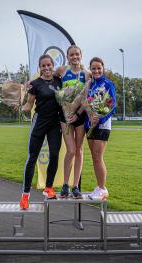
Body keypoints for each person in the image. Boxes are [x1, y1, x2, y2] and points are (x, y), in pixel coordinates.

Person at [18, 54, 62, 209]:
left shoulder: (59, 80)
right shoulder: (35, 84)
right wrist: (20, 108)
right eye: (43, 66)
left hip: (55, 124)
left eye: (48, 65)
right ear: (40, 68)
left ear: (52, 65)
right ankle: (25, 195)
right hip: (39, 123)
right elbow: (29, 105)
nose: (46, 68)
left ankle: (48, 188)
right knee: (32, 158)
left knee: (55, 154)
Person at [54, 45, 90, 199]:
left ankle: (75, 186)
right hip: (65, 116)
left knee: (79, 150)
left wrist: (79, 113)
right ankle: (65, 184)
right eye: (71, 55)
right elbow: (48, 78)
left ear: (81, 55)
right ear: (67, 57)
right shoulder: (62, 71)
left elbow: (87, 97)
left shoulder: (86, 74)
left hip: (80, 116)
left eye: (77, 54)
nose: (74, 57)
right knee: (71, 150)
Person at [85, 57, 116, 200]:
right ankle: (99, 186)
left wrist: (100, 118)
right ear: (90, 69)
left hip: (102, 125)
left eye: (99, 68)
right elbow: (87, 103)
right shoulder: (90, 84)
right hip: (90, 125)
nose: (96, 70)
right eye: (93, 68)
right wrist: (90, 118)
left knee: (98, 157)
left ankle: (103, 189)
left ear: (103, 68)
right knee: (94, 157)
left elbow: (112, 105)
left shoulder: (108, 84)